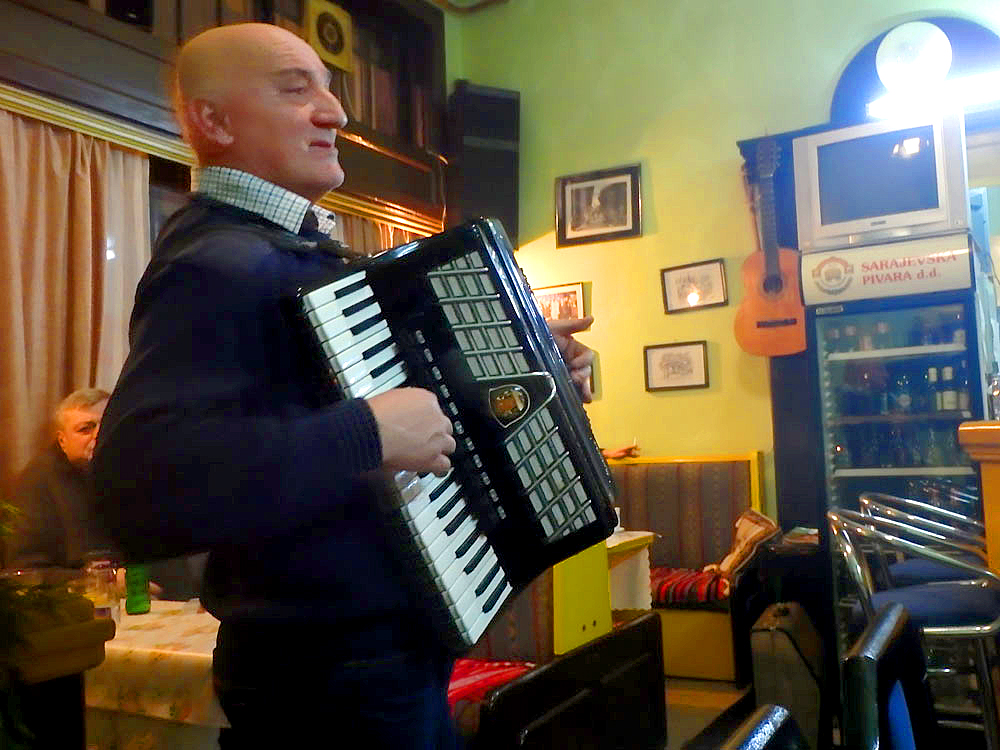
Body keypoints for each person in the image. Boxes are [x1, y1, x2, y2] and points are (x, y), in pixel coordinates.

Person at [93, 22, 595, 749]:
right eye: (295, 89)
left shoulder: (296, 258)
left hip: (377, 662)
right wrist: (369, 434)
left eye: (328, 89)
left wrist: (537, 374)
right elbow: (140, 495)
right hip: (325, 676)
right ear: (213, 120)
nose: (334, 111)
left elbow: (415, 407)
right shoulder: (217, 264)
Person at [6, 388, 112, 570]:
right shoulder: (38, 482)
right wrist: (107, 580)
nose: (98, 435)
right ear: (62, 441)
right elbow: (24, 570)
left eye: (108, 424)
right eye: (85, 429)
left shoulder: (132, 467)